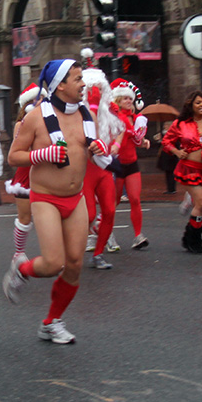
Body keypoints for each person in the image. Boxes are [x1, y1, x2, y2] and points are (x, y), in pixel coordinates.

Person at [4, 58, 109, 344]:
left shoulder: (86, 114)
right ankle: (21, 270)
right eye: (77, 79)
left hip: (75, 198)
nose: (83, 84)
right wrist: (42, 155)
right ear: (60, 85)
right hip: (45, 198)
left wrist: (100, 149)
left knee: (74, 265)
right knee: (53, 264)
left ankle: (51, 322)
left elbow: (93, 153)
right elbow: (13, 157)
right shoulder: (36, 117)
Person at [164, 90, 202, 253]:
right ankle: (194, 239)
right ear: (191, 105)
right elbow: (167, 141)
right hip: (190, 168)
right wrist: (177, 152)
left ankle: (190, 236)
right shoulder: (181, 123)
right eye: (198, 102)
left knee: (201, 204)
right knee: (201, 201)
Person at [80, 66, 120, 269]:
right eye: (91, 89)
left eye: (99, 89)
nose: (95, 93)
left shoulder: (109, 111)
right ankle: (69, 252)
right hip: (86, 170)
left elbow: (121, 129)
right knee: (88, 214)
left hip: (103, 170)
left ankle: (98, 253)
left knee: (109, 211)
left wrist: (117, 143)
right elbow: (90, 134)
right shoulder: (79, 112)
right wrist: (93, 107)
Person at [5, 84, 46, 260]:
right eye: (37, 99)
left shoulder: (50, 122)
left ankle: (53, 255)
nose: (41, 102)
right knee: (25, 217)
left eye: (43, 98)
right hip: (25, 175)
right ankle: (19, 253)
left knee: (47, 218)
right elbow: (19, 151)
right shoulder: (20, 124)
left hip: (45, 174)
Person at [110, 78, 151, 250]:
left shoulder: (135, 118)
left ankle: (138, 235)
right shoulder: (115, 118)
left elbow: (135, 139)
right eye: (125, 98)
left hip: (132, 163)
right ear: (118, 100)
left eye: (130, 98)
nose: (129, 101)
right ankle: (107, 233)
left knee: (134, 198)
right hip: (117, 164)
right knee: (114, 202)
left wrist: (143, 141)